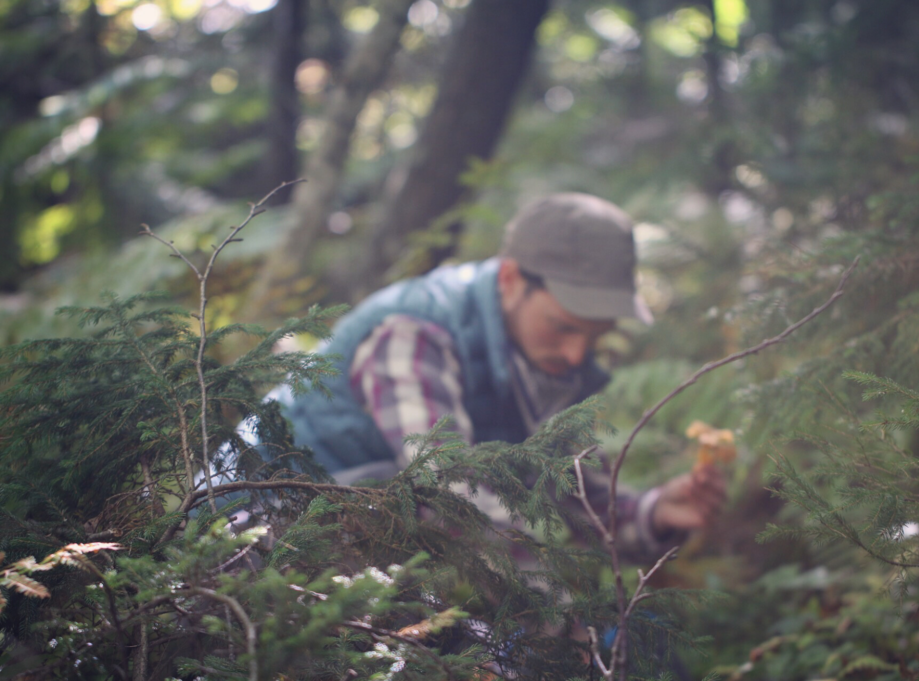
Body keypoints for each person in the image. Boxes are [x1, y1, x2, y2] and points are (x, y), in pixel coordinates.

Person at [279, 192, 726, 561]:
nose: (577, 354)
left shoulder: (546, 364)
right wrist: (559, 616)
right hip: (259, 532)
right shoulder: (413, 334)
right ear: (511, 277)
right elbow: (452, 505)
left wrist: (656, 512)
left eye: (596, 335)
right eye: (563, 326)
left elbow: (580, 509)